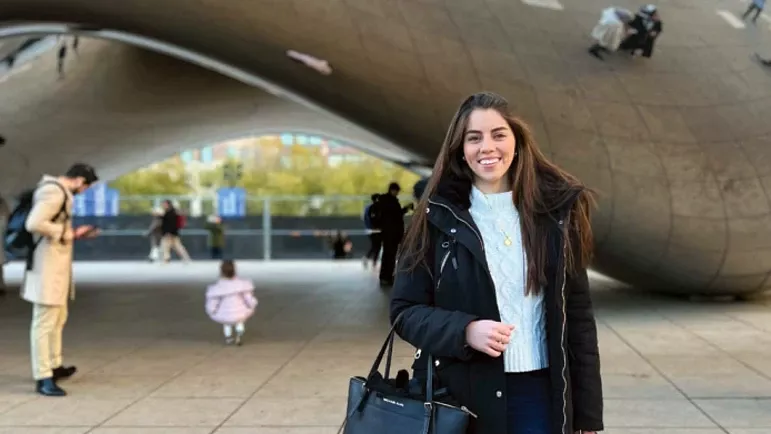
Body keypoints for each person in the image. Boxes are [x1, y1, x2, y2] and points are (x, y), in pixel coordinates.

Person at [390, 91, 603, 434]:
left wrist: (588, 415)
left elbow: (577, 318)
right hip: (460, 399)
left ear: (517, 142)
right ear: (461, 149)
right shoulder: (436, 218)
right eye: (474, 138)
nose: (487, 147)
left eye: (498, 135)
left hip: (539, 395)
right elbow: (404, 311)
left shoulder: (556, 215)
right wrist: (465, 330)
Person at [22, 163, 100, 397]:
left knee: (57, 318)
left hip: (56, 267)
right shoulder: (53, 191)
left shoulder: (58, 191)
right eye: (86, 186)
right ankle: (43, 375)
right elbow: (34, 223)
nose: (84, 191)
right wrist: (70, 234)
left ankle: (54, 365)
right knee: (45, 323)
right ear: (79, 180)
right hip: (47, 267)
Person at [205, 260, 258, 346]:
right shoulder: (242, 285)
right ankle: (239, 336)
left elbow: (214, 301)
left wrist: (212, 310)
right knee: (240, 322)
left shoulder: (218, 288)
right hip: (240, 310)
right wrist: (252, 304)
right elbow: (248, 298)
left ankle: (228, 338)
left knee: (227, 324)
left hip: (224, 312)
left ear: (221, 272)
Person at [376, 182, 414, 286]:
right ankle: (386, 277)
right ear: (393, 190)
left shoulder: (386, 202)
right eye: (396, 191)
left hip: (389, 233)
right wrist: (406, 209)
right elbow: (396, 215)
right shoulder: (390, 202)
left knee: (389, 255)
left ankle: (386, 277)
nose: (397, 193)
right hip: (391, 233)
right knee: (389, 256)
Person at [362, 194, 382, 269]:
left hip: (371, 230)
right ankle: (371, 260)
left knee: (376, 246)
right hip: (374, 230)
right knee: (376, 246)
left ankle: (371, 261)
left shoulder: (368, 208)